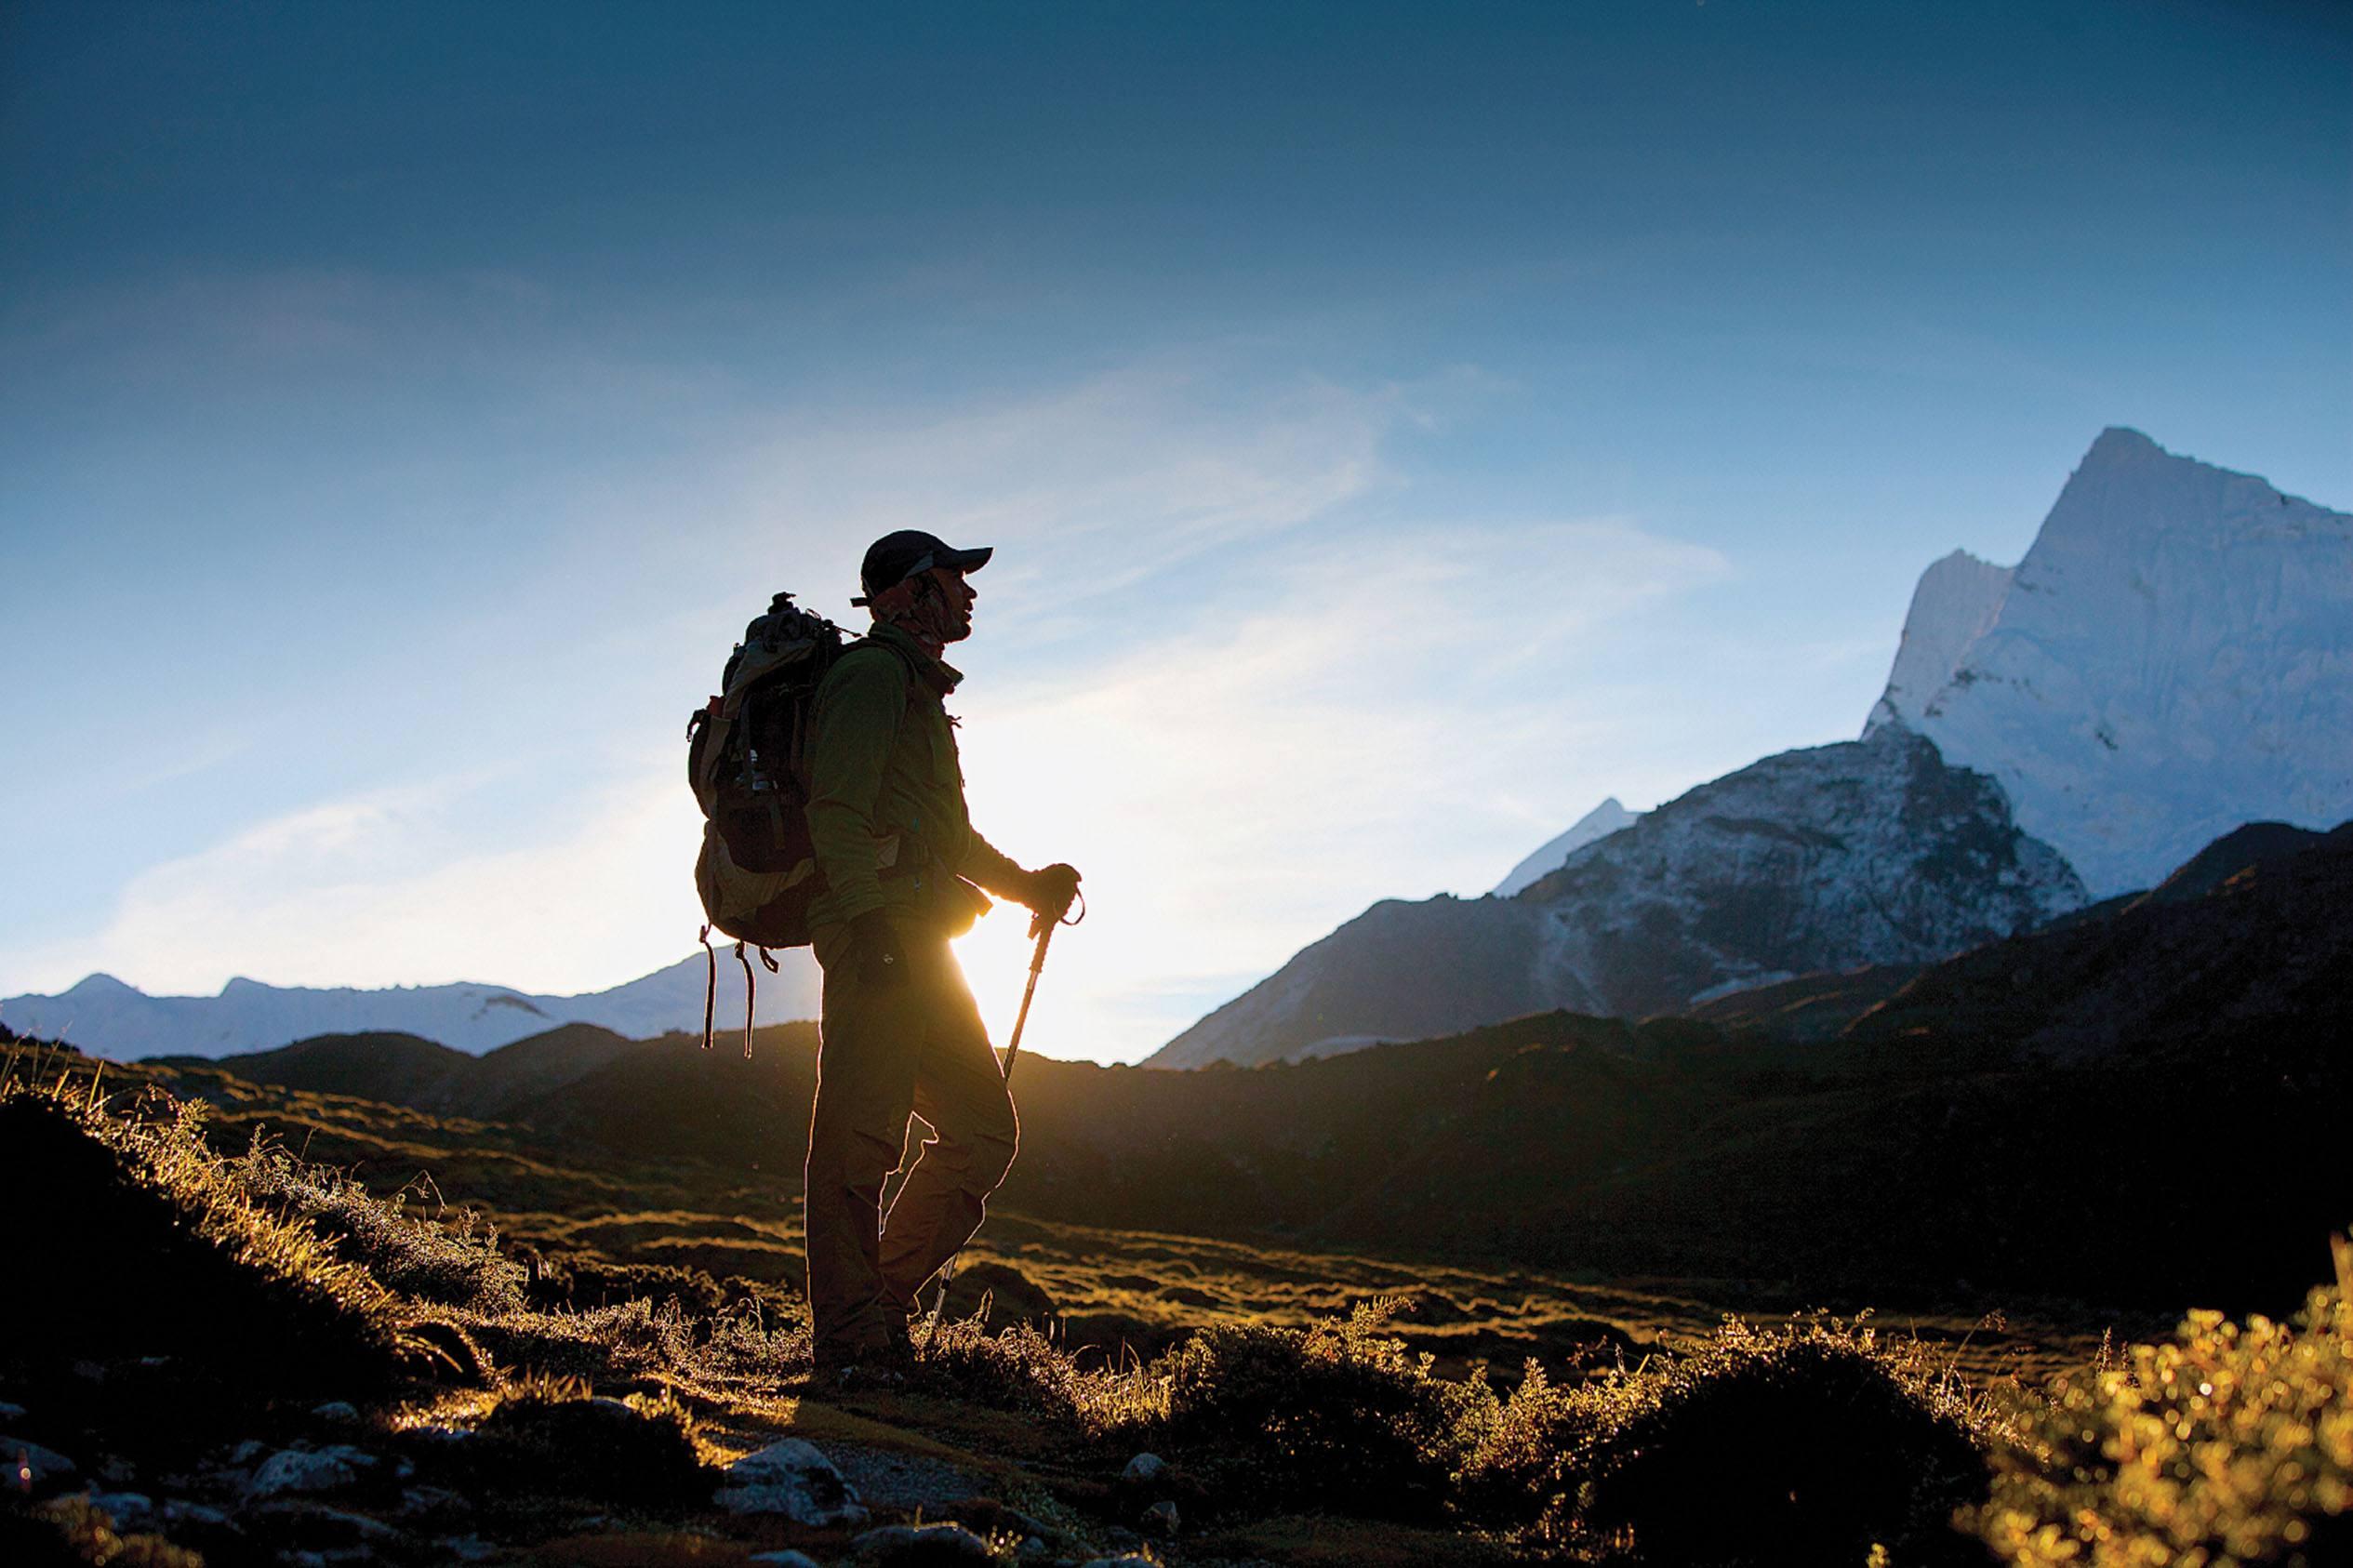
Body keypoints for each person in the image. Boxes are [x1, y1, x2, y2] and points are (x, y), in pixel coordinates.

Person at [800, 528, 1081, 1375]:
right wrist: (872, 927)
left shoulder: (917, 694)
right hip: (880, 938)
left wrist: (1029, 886)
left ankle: (877, 1312)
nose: (969, 593)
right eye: (953, 579)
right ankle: (851, 1340)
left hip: (921, 942)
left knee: (983, 1131)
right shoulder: (871, 679)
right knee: (860, 1135)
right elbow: (835, 812)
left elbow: (946, 840)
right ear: (910, 594)